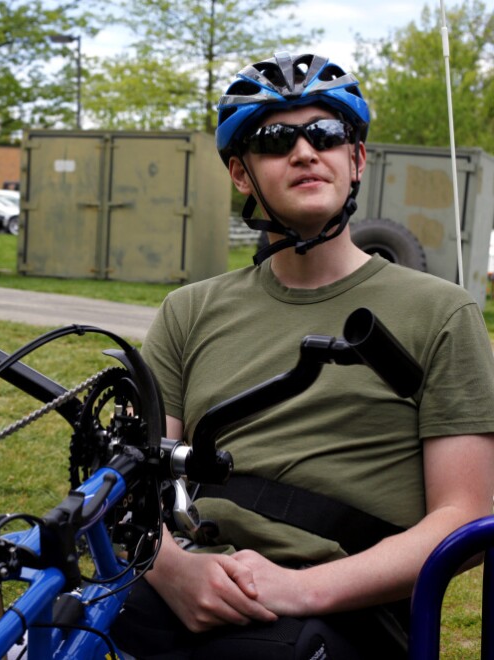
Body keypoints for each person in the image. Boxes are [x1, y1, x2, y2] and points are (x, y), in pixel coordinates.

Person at [111, 51, 494, 659]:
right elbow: (130, 482)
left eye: (326, 133)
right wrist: (171, 570)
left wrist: (300, 590)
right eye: (274, 140)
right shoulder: (189, 310)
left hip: (337, 608)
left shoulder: (441, 313)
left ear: (356, 158)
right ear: (241, 174)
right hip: (181, 582)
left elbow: (466, 520)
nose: (304, 151)